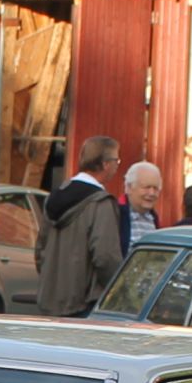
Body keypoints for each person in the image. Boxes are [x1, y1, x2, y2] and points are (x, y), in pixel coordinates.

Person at [40, 135, 124, 316]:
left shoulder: (53, 198)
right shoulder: (100, 203)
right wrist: (117, 291)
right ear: (105, 164)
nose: (117, 166)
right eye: (116, 161)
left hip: (50, 301)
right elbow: (105, 256)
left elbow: (41, 250)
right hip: (84, 303)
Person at [121, 162, 165, 246]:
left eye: (155, 188)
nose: (152, 193)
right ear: (129, 187)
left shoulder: (154, 219)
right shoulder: (116, 216)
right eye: (146, 187)